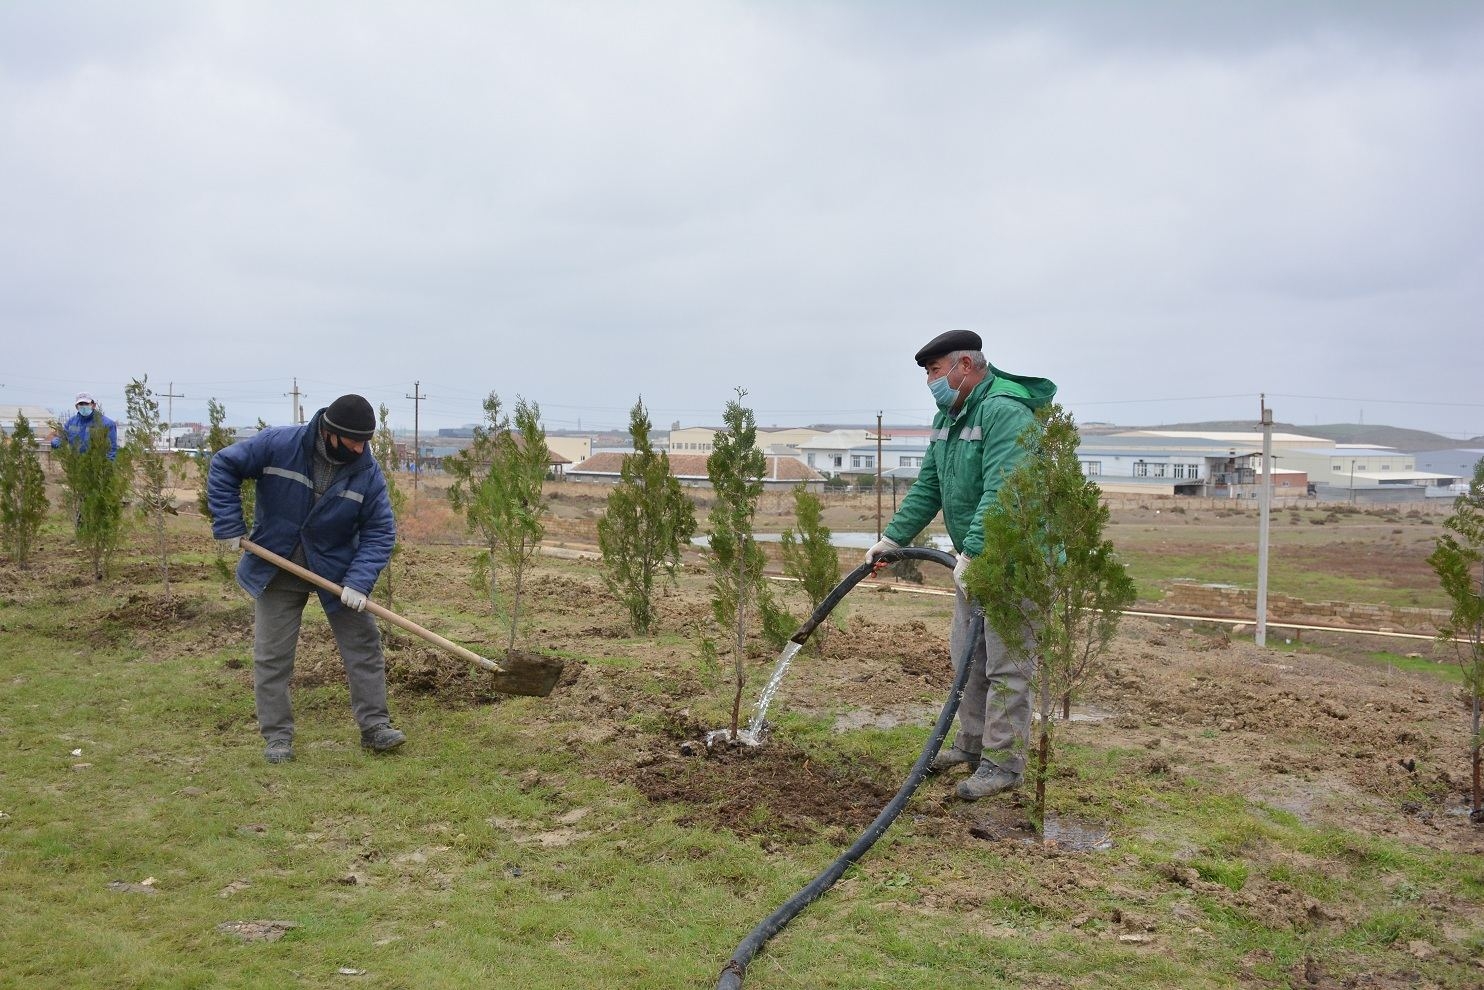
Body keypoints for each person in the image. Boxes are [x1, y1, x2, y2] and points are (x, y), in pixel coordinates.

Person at [866, 330, 1056, 800]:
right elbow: (930, 486)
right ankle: (971, 746)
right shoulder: (949, 416)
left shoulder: (1004, 411)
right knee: (968, 658)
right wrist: (893, 538)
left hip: (1016, 560)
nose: (931, 381)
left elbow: (1005, 490)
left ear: (965, 366)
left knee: (1007, 666)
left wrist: (972, 552)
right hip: (977, 558)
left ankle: (1002, 765)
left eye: (935, 372)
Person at [208, 394, 405, 764]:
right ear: (329, 432)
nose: (360, 448)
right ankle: (277, 738)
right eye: (352, 441)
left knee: (364, 647)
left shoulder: (367, 472)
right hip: (277, 563)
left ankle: (376, 728)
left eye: (365, 442)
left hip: (337, 571)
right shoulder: (279, 444)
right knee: (272, 656)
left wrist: (359, 582)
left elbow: (380, 530)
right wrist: (229, 524)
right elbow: (224, 466)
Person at [51, 392, 118, 459]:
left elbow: (111, 449)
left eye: (86, 404)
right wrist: (56, 441)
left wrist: (107, 466)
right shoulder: (71, 422)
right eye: (80, 404)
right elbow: (63, 437)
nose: (83, 406)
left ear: (93, 405)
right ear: (76, 407)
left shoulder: (107, 424)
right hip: (76, 464)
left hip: (98, 465)